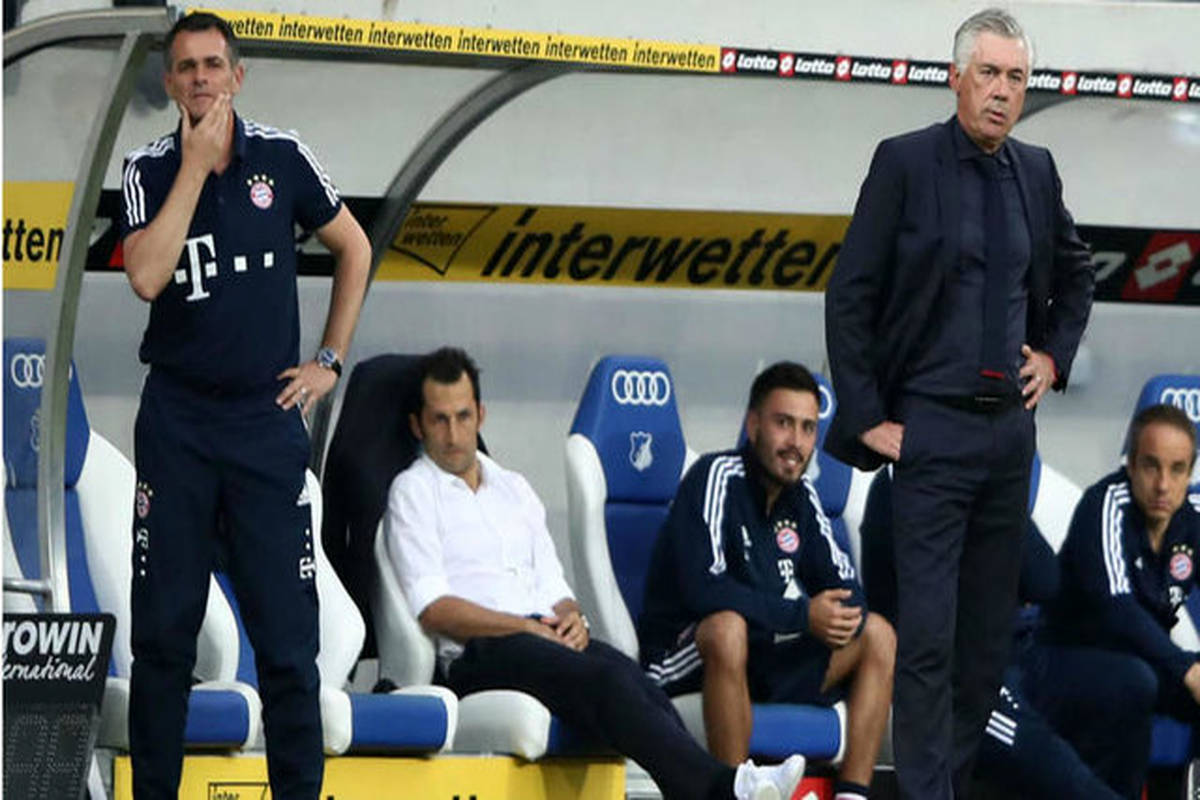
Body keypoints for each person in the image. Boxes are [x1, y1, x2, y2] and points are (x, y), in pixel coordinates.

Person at [823, 8, 1094, 798]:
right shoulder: (905, 163)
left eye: (1017, 78)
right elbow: (850, 295)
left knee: (983, 650)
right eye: (989, 74)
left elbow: (1076, 274)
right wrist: (866, 416)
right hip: (930, 431)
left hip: (1009, 439)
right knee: (928, 642)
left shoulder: (1037, 171)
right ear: (956, 78)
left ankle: (949, 787)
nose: (1002, 91)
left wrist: (1053, 357)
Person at [120, 13, 371, 799]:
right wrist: (195, 169)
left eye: (213, 64)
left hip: (264, 423)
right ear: (170, 83)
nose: (200, 77)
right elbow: (146, 277)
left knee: (290, 645)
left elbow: (355, 247)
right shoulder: (148, 168)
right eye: (186, 66)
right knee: (164, 640)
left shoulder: (283, 157)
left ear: (237, 75)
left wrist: (328, 361)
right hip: (179, 425)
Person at [384, 347, 806, 800]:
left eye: (463, 417)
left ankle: (722, 786)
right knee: (606, 682)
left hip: (543, 636)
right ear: (417, 426)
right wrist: (524, 627)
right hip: (479, 653)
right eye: (439, 420)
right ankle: (726, 788)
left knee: (639, 684)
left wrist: (572, 617)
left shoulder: (514, 488)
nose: (453, 434)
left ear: (481, 415)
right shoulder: (412, 491)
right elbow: (434, 609)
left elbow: (554, 586)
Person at [638, 361, 895, 800]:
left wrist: (832, 616)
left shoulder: (803, 496)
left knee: (878, 634)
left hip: (763, 656)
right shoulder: (715, 477)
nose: (796, 442)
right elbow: (705, 590)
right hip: (685, 660)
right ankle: (735, 792)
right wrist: (802, 616)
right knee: (727, 628)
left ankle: (852, 795)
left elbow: (848, 591)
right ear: (753, 425)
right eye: (783, 423)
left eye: (808, 428)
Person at [860, 472, 1155, 800]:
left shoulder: (989, 477)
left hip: (1021, 654)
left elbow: (1044, 579)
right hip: (954, 681)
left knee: (1132, 684)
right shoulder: (902, 485)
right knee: (1048, 755)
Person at [1048, 404, 1200, 732]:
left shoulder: (1192, 517)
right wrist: (1187, 669)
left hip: (1143, 657)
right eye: (1151, 466)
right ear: (1130, 465)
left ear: (1190, 474)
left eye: (1177, 470)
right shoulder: (1105, 504)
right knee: (1138, 681)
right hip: (1069, 658)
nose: (1163, 485)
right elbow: (1116, 608)